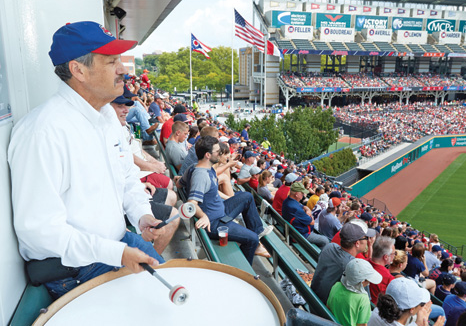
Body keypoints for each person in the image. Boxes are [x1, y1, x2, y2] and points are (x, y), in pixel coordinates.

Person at [8, 21, 167, 299]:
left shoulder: (106, 116)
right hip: (79, 268)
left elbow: (127, 176)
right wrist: (115, 252)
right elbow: (39, 231)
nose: (123, 70)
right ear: (78, 70)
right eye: (111, 62)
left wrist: (141, 215)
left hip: (119, 243)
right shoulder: (43, 132)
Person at [179, 136, 272, 264]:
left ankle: (258, 230)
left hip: (220, 211)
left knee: (246, 196)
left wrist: (176, 179)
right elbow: (191, 203)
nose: (221, 154)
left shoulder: (196, 167)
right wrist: (203, 216)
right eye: (218, 152)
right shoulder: (200, 175)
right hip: (214, 222)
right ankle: (242, 274)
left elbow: (179, 183)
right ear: (207, 155)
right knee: (253, 239)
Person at [311, 219, 377, 304]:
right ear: (357, 243)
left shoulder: (330, 246)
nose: (367, 241)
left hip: (313, 297)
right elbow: (366, 300)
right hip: (326, 309)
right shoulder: (354, 266)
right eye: (366, 238)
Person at [327, 258, 382, 326]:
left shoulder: (336, 286)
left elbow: (328, 308)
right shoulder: (363, 299)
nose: (369, 283)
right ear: (362, 281)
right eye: (368, 281)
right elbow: (362, 325)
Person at [369, 277, 444, 326]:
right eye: (421, 304)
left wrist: (417, 324)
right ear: (412, 309)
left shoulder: (377, 311)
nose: (422, 306)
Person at [282, 182, 329, 249]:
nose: (304, 195)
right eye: (302, 193)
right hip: (300, 235)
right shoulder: (296, 209)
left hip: (292, 230)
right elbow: (312, 222)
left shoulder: (288, 201)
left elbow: (303, 206)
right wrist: (310, 215)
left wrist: (307, 209)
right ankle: (316, 258)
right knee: (325, 240)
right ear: (296, 194)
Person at [369, 236, 396, 305]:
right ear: (386, 257)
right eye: (393, 253)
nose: (394, 256)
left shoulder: (363, 262)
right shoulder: (388, 278)